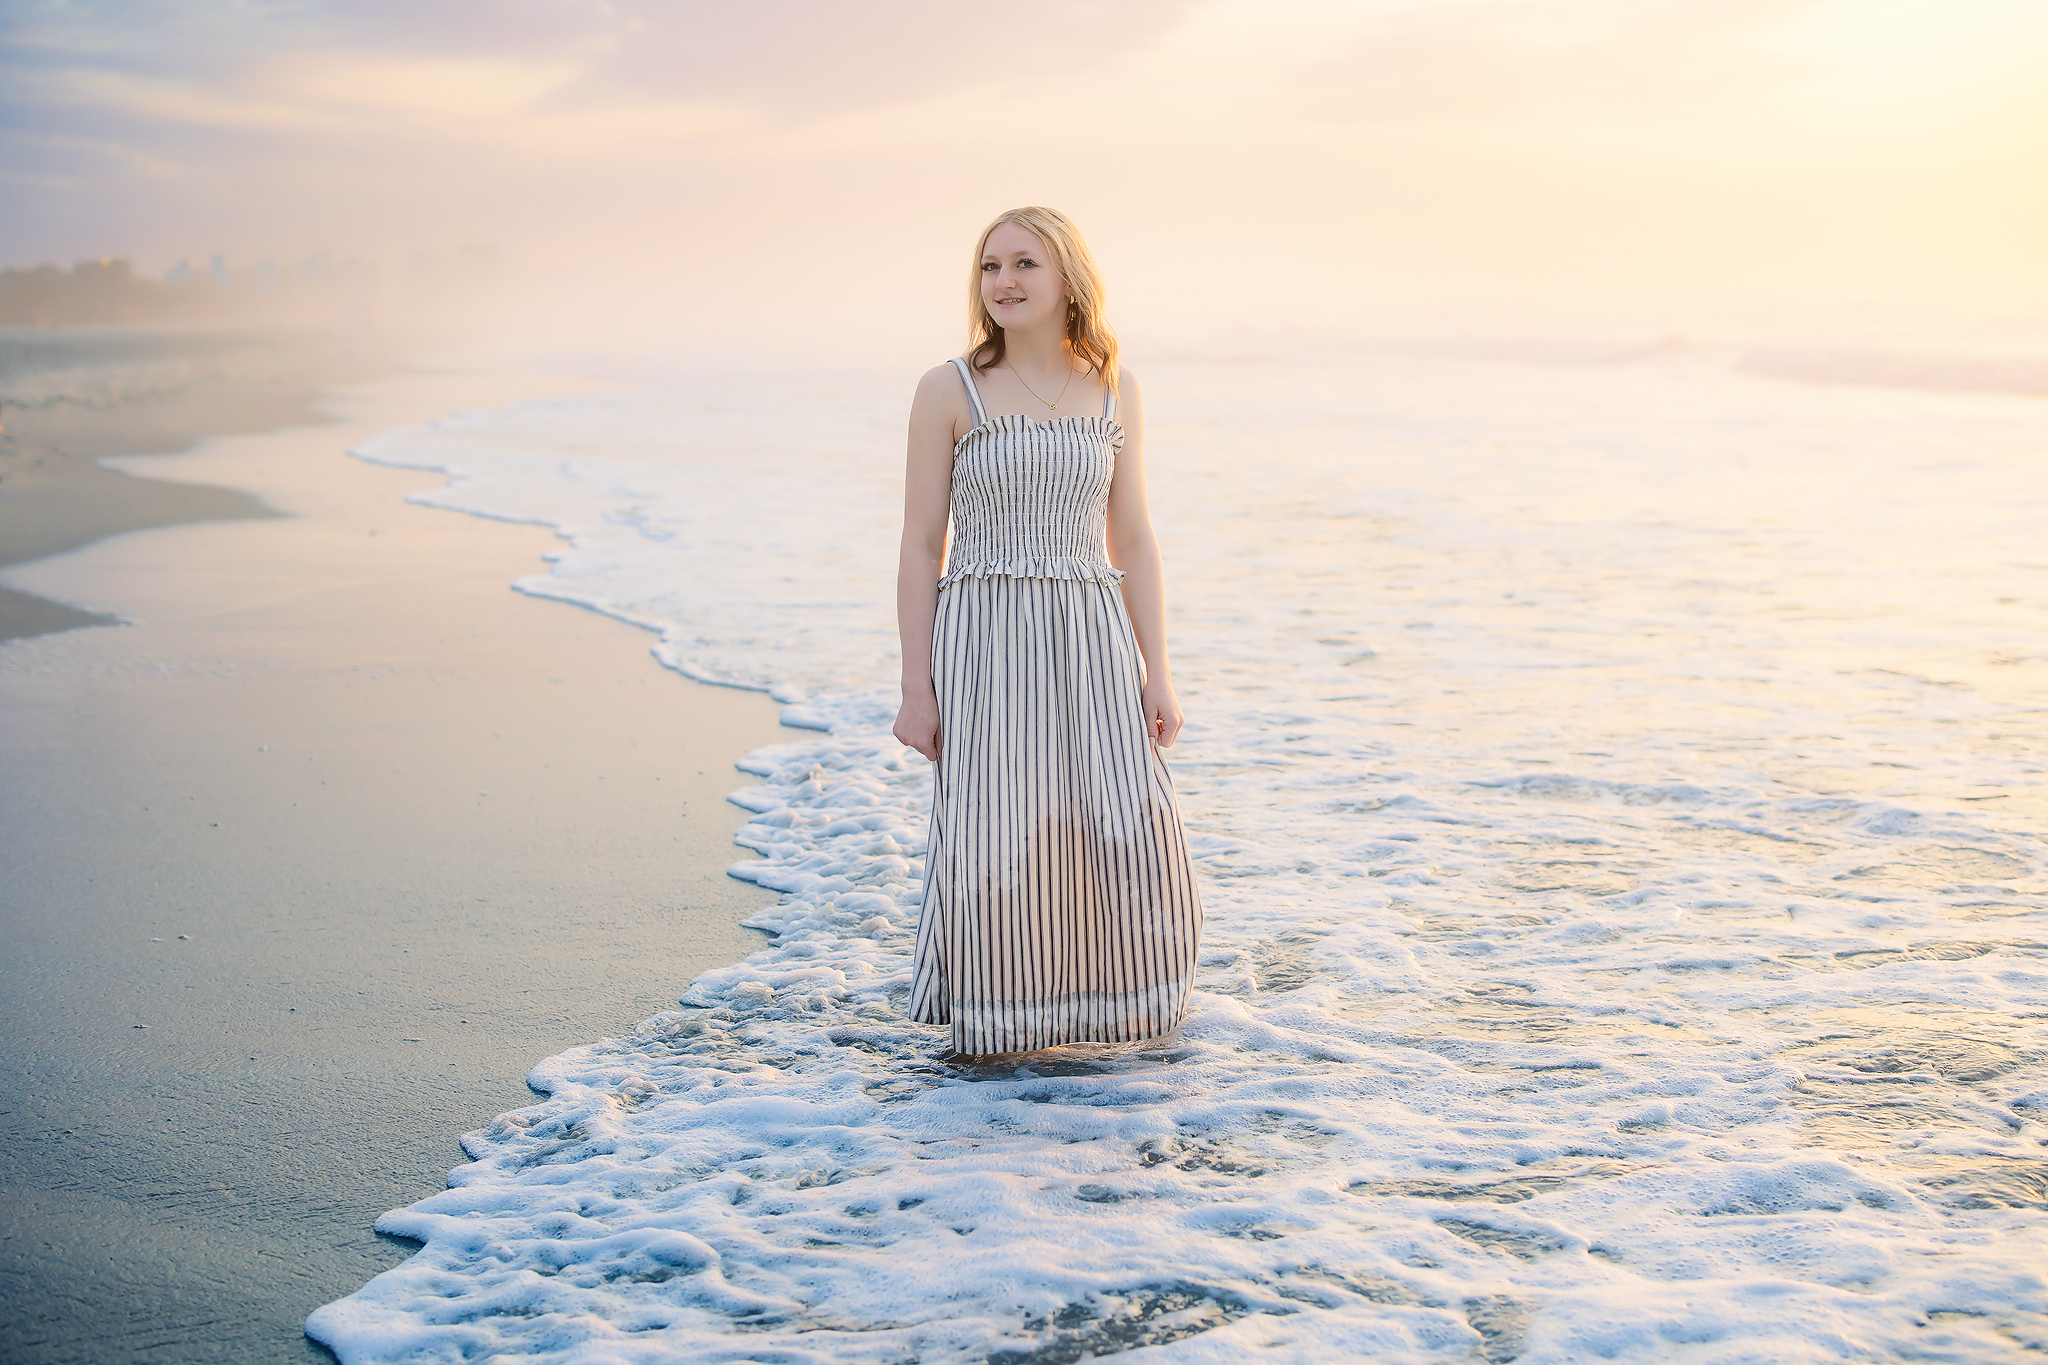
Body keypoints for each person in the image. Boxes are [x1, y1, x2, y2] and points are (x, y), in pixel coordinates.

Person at [894, 206, 1204, 1059]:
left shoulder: (1114, 386)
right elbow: (920, 545)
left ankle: (1124, 1018)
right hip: (985, 634)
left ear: (1069, 277)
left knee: (1124, 818)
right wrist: (916, 687)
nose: (1004, 281)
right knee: (999, 829)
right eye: (990, 266)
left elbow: (1132, 536)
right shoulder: (947, 389)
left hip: (1091, 630)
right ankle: (1005, 1035)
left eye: (1025, 263)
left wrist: (1159, 669)